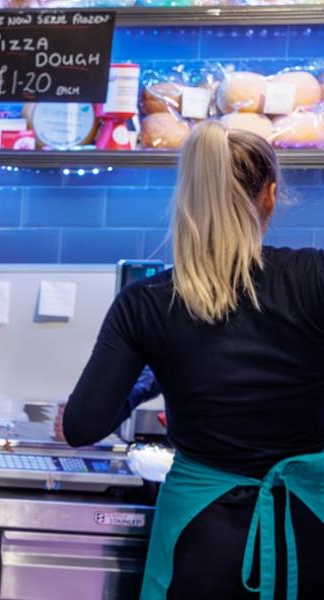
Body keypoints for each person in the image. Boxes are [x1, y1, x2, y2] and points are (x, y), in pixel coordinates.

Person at [63, 121, 324, 600]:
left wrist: (148, 378)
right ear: (269, 197)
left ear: (189, 197)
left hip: (201, 543)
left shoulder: (146, 303)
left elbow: (80, 426)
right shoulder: (314, 276)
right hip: (311, 535)